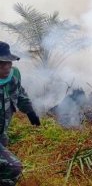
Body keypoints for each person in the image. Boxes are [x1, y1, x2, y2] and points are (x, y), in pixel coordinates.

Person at [0, 41, 40, 185]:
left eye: (9, 62)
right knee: (13, 167)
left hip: (1, 131)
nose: (7, 67)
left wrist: (30, 112)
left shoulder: (14, 75)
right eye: (1, 63)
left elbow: (20, 93)